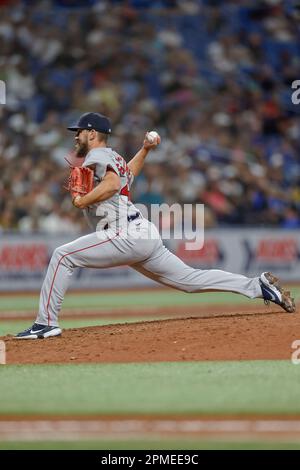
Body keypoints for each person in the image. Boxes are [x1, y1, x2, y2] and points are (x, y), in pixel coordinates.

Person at [15, 112, 295, 339]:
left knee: (63, 256)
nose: (76, 136)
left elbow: (112, 185)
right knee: (190, 281)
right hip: (142, 234)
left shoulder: (96, 157)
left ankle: (46, 323)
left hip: (124, 234)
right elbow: (128, 175)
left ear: (92, 134)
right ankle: (257, 287)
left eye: (79, 131)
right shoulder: (113, 157)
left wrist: (81, 200)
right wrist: (145, 149)